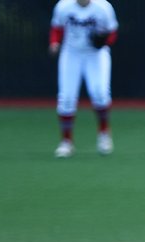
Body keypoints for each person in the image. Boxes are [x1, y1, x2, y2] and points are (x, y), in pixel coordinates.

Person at [48, 0, 118, 158]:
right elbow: (56, 28)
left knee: (100, 93)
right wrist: (54, 43)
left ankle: (104, 134)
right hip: (71, 53)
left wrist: (103, 40)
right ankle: (66, 142)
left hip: (96, 54)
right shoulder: (64, 6)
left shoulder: (103, 7)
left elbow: (112, 32)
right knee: (66, 98)